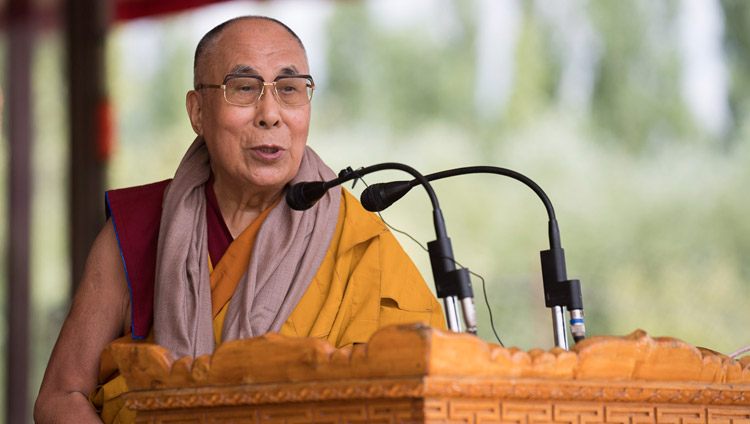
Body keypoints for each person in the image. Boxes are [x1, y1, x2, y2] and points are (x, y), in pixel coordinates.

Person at [34, 16, 445, 423]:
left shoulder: (356, 237)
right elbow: (59, 397)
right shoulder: (137, 229)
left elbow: (434, 391)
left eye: (289, 89)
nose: (270, 113)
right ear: (198, 112)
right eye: (244, 88)